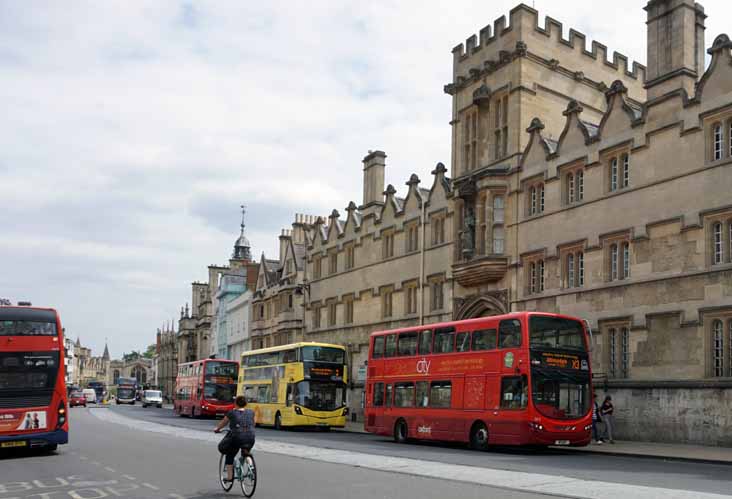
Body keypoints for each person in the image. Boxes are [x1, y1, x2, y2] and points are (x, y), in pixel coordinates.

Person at [214, 395, 256, 482]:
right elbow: (253, 424)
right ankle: (251, 467)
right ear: (246, 404)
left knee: (230, 454)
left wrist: (217, 429)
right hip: (250, 437)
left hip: (237, 437)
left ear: (235, 403)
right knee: (246, 452)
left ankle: (230, 477)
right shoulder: (251, 412)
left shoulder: (232, 413)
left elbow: (223, 423)